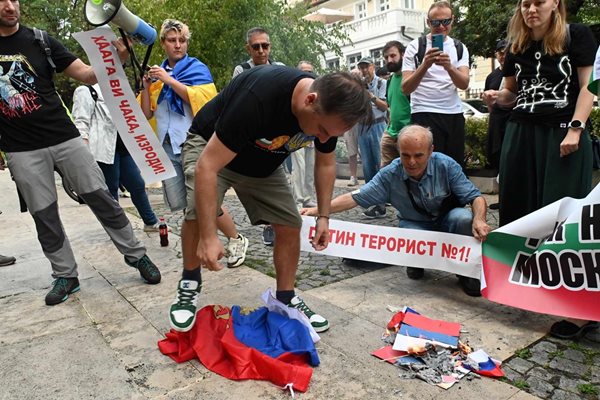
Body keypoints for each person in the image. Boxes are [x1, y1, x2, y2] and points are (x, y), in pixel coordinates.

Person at [167, 66, 371, 333]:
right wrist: (208, 236)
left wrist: (324, 216)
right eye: (321, 130)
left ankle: (285, 299)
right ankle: (190, 282)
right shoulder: (259, 98)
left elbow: (325, 164)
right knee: (198, 211)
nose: (322, 139)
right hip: (211, 147)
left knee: (289, 223)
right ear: (310, 100)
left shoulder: (328, 115)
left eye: (330, 135)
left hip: (263, 160)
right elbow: (207, 167)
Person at [0, 0, 161, 306]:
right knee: (44, 215)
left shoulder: (40, 39)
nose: (10, 6)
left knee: (101, 197)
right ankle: (65, 275)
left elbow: (88, 75)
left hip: (65, 138)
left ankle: (136, 255)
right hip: (20, 149)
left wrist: (116, 57)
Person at [496, 0, 597, 339]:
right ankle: (527, 284)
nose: (531, 9)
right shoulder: (517, 45)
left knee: (563, 213)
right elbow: (512, 92)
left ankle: (577, 304)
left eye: (538, 2)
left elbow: (589, 87)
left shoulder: (577, 35)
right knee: (518, 207)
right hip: (520, 131)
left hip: (562, 133)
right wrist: (498, 96)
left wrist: (576, 126)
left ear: (555, 3)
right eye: (525, 3)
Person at [302, 125, 490, 297]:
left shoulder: (446, 165)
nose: (412, 162)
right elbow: (354, 198)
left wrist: (479, 219)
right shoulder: (389, 174)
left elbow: (476, 197)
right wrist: (317, 211)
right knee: (410, 234)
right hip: (414, 225)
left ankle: (467, 273)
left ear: (431, 151)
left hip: (446, 219)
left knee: (464, 218)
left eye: (418, 155)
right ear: (398, 152)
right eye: (405, 155)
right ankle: (416, 262)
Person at [140, 19, 248, 268]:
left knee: (198, 201)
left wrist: (168, 80)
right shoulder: (158, 75)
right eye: (172, 40)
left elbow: (204, 102)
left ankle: (233, 238)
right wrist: (147, 87)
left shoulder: (196, 69)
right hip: (167, 146)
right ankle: (213, 242)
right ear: (163, 43)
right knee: (186, 203)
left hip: (195, 145)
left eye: (182, 40)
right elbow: (147, 113)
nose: (178, 45)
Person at [72, 83, 160, 231]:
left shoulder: (119, 89)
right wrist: (83, 150)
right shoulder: (86, 90)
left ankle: (150, 222)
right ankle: (118, 229)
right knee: (111, 190)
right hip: (103, 150)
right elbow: (81, 121)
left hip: (123, 147)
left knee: (137, 184)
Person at [232, 27, 284, 246]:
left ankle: (278, 222)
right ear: (248, 48)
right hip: (252, 136)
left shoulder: (280, 68)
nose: (262, 51)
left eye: (265, 46)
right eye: (256, 47)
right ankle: (267, 224)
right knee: (256, 181)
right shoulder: (241, 70)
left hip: (278, 136)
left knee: (278, 180)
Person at [402, 0, 470, 166]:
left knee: (454, 166)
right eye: (435, 22)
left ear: (452, 20)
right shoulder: (415, 46)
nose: (441, 26)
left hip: (453, 113)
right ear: (428, 22)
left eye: (445, 21)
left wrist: (449, 67)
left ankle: (453, 193)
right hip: (424, 111)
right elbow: (405, 88)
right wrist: (425, 64)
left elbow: (464, 84)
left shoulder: (459, 47)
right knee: (427, 166)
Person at [356, 56, 389, 219]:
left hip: (377, 125)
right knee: (368, 166)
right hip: (362, 126)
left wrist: (371, 96)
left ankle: (382, 203)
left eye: (366, 67)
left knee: (379, 163)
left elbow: (385, 107)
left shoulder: (381, 83)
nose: (363, 70)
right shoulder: (359, 85)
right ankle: (374, 200)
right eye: (361, 67)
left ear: (373, 67)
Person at [482, 39, 511, 211]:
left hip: (512, 119)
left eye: (506, 52)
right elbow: (489, 104)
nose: (503, 56)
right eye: (500, 53)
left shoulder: (515, 73)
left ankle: (512, 197)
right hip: (496, 120)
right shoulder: (491, 76)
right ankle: (502, 198)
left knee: (511, 159)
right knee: (498, 158)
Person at [290, 60, 317, 209]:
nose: (308, 75)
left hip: (311, 134)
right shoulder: (297, 89)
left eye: (310, 72)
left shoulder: (317, 90)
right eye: (305, 72)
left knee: (310, 167)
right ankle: (298, 199)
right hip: (296, 134)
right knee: (299, 167)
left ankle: (308, 198)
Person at [381, 41, 411, 165]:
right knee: (386, 174)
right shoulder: (391, 80)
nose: (389, 60)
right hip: (391, 133)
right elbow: (390, 107)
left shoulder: (410, 78)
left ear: (403, 55)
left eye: (393, 56)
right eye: (386, 57)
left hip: (408, 133)